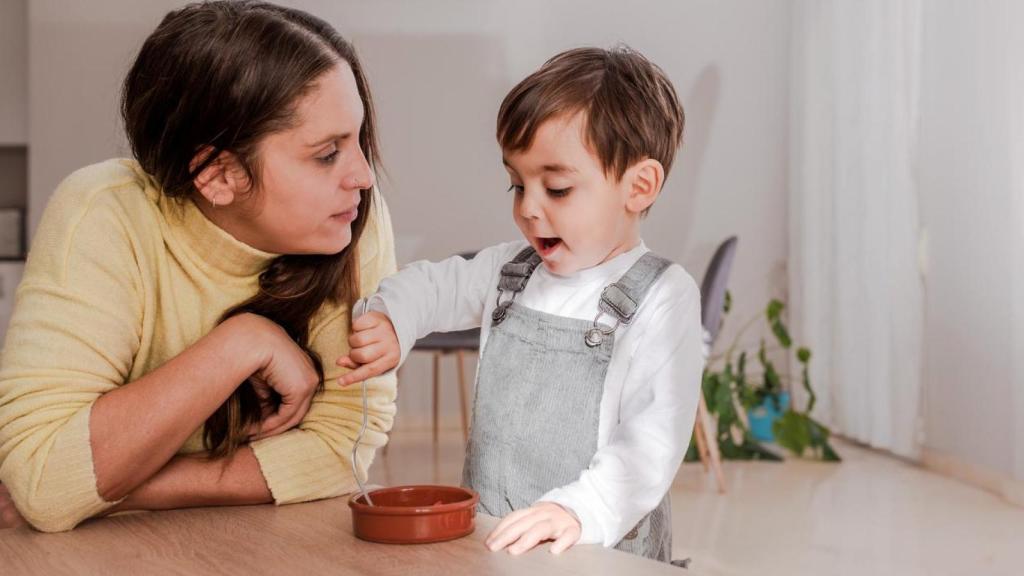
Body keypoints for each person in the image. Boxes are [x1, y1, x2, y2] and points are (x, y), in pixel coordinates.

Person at [0, 1, 396, 532]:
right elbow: (46, 476)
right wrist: (240, 343)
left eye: (359, 140)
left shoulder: (350, 220)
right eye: (327, 154)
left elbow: (341, 450)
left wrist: (110, 489)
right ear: (216, 174)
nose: (365, 177)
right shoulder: (103, 213)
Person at [340, 46, 702, 562]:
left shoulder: (662, 296)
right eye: (517, 183)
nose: (528, 209)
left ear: (638, 187)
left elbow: (652, 440)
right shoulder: (509, 272)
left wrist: (580, 509)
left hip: (597, 546)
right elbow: (433, 286)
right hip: (499, 537)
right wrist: (393, 319)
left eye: (556, 188)